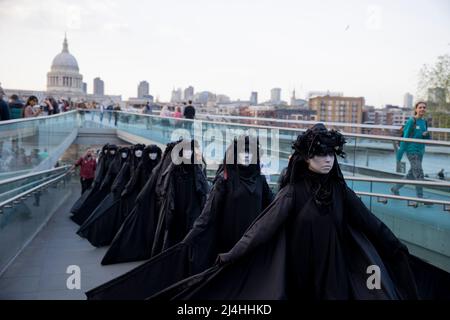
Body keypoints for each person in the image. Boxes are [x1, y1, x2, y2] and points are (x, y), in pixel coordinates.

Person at [150, 124, 421, 300]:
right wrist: (233, 255)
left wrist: (394, 246)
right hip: (299, 270)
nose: (327, 160)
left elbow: (370, 222)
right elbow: (263, 227)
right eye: (319, 154)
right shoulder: (292, 192)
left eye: (331, 155)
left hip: (335, 268)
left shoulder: (340, 192)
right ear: (305, 158)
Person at [86, 136, 273, 300]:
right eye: (242, 153)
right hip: (226, 242)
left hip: (251, 242)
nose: (246, 156)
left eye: (250, 153)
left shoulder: (260, 181)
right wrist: (189, 239)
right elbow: (208, 214)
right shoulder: (224, 181)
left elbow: (271, 208)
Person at [391, 102, 430, 199]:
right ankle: (420, 197)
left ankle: (395, 188)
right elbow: (405, 138)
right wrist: (399, 156)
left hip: (420, 151)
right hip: (412, 151)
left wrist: (426, 135)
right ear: (416, 109)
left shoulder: (424, 122)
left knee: (411, 174)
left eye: (424, 107)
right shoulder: (411, 121)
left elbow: (426, 139)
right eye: (420, 107)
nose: (422, 109)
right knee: (419, 173)